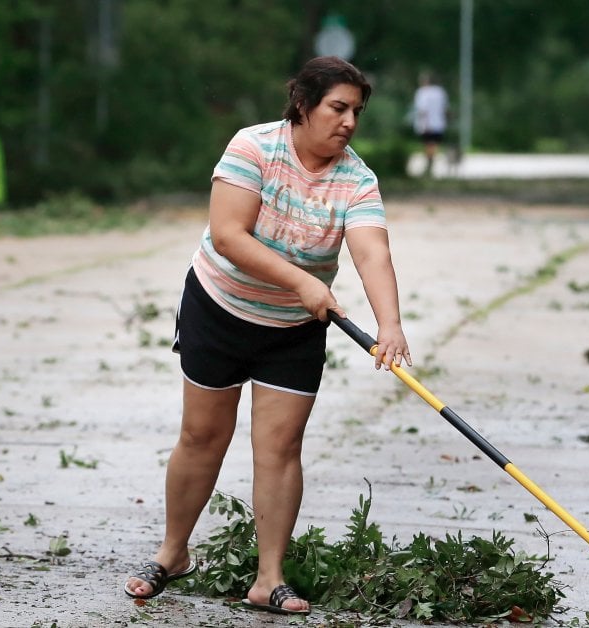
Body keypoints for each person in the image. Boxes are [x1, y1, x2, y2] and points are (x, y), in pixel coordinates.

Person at [122, 56, 413, 615]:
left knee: (280, 448)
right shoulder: (253, 148)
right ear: (303, 104)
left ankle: (268, 579)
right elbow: (229, 236)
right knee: (203, 437)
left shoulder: (357, 179)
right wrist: (303, 281)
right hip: (220, 307)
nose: (350, 121)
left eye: (357, 111)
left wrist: (390, 324)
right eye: (338, 107)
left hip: (294, 329)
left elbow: (372, 250)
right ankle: (172, 553)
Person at [412, 71, 450, 176]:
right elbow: (445, 108)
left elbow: (422, 110)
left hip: (427, 124)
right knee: (434, 144)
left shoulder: (422, 92)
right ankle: (431, 163)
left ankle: (429, 164)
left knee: (428, 144)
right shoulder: (441, 92)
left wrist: (423, 124)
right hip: (439, 124)